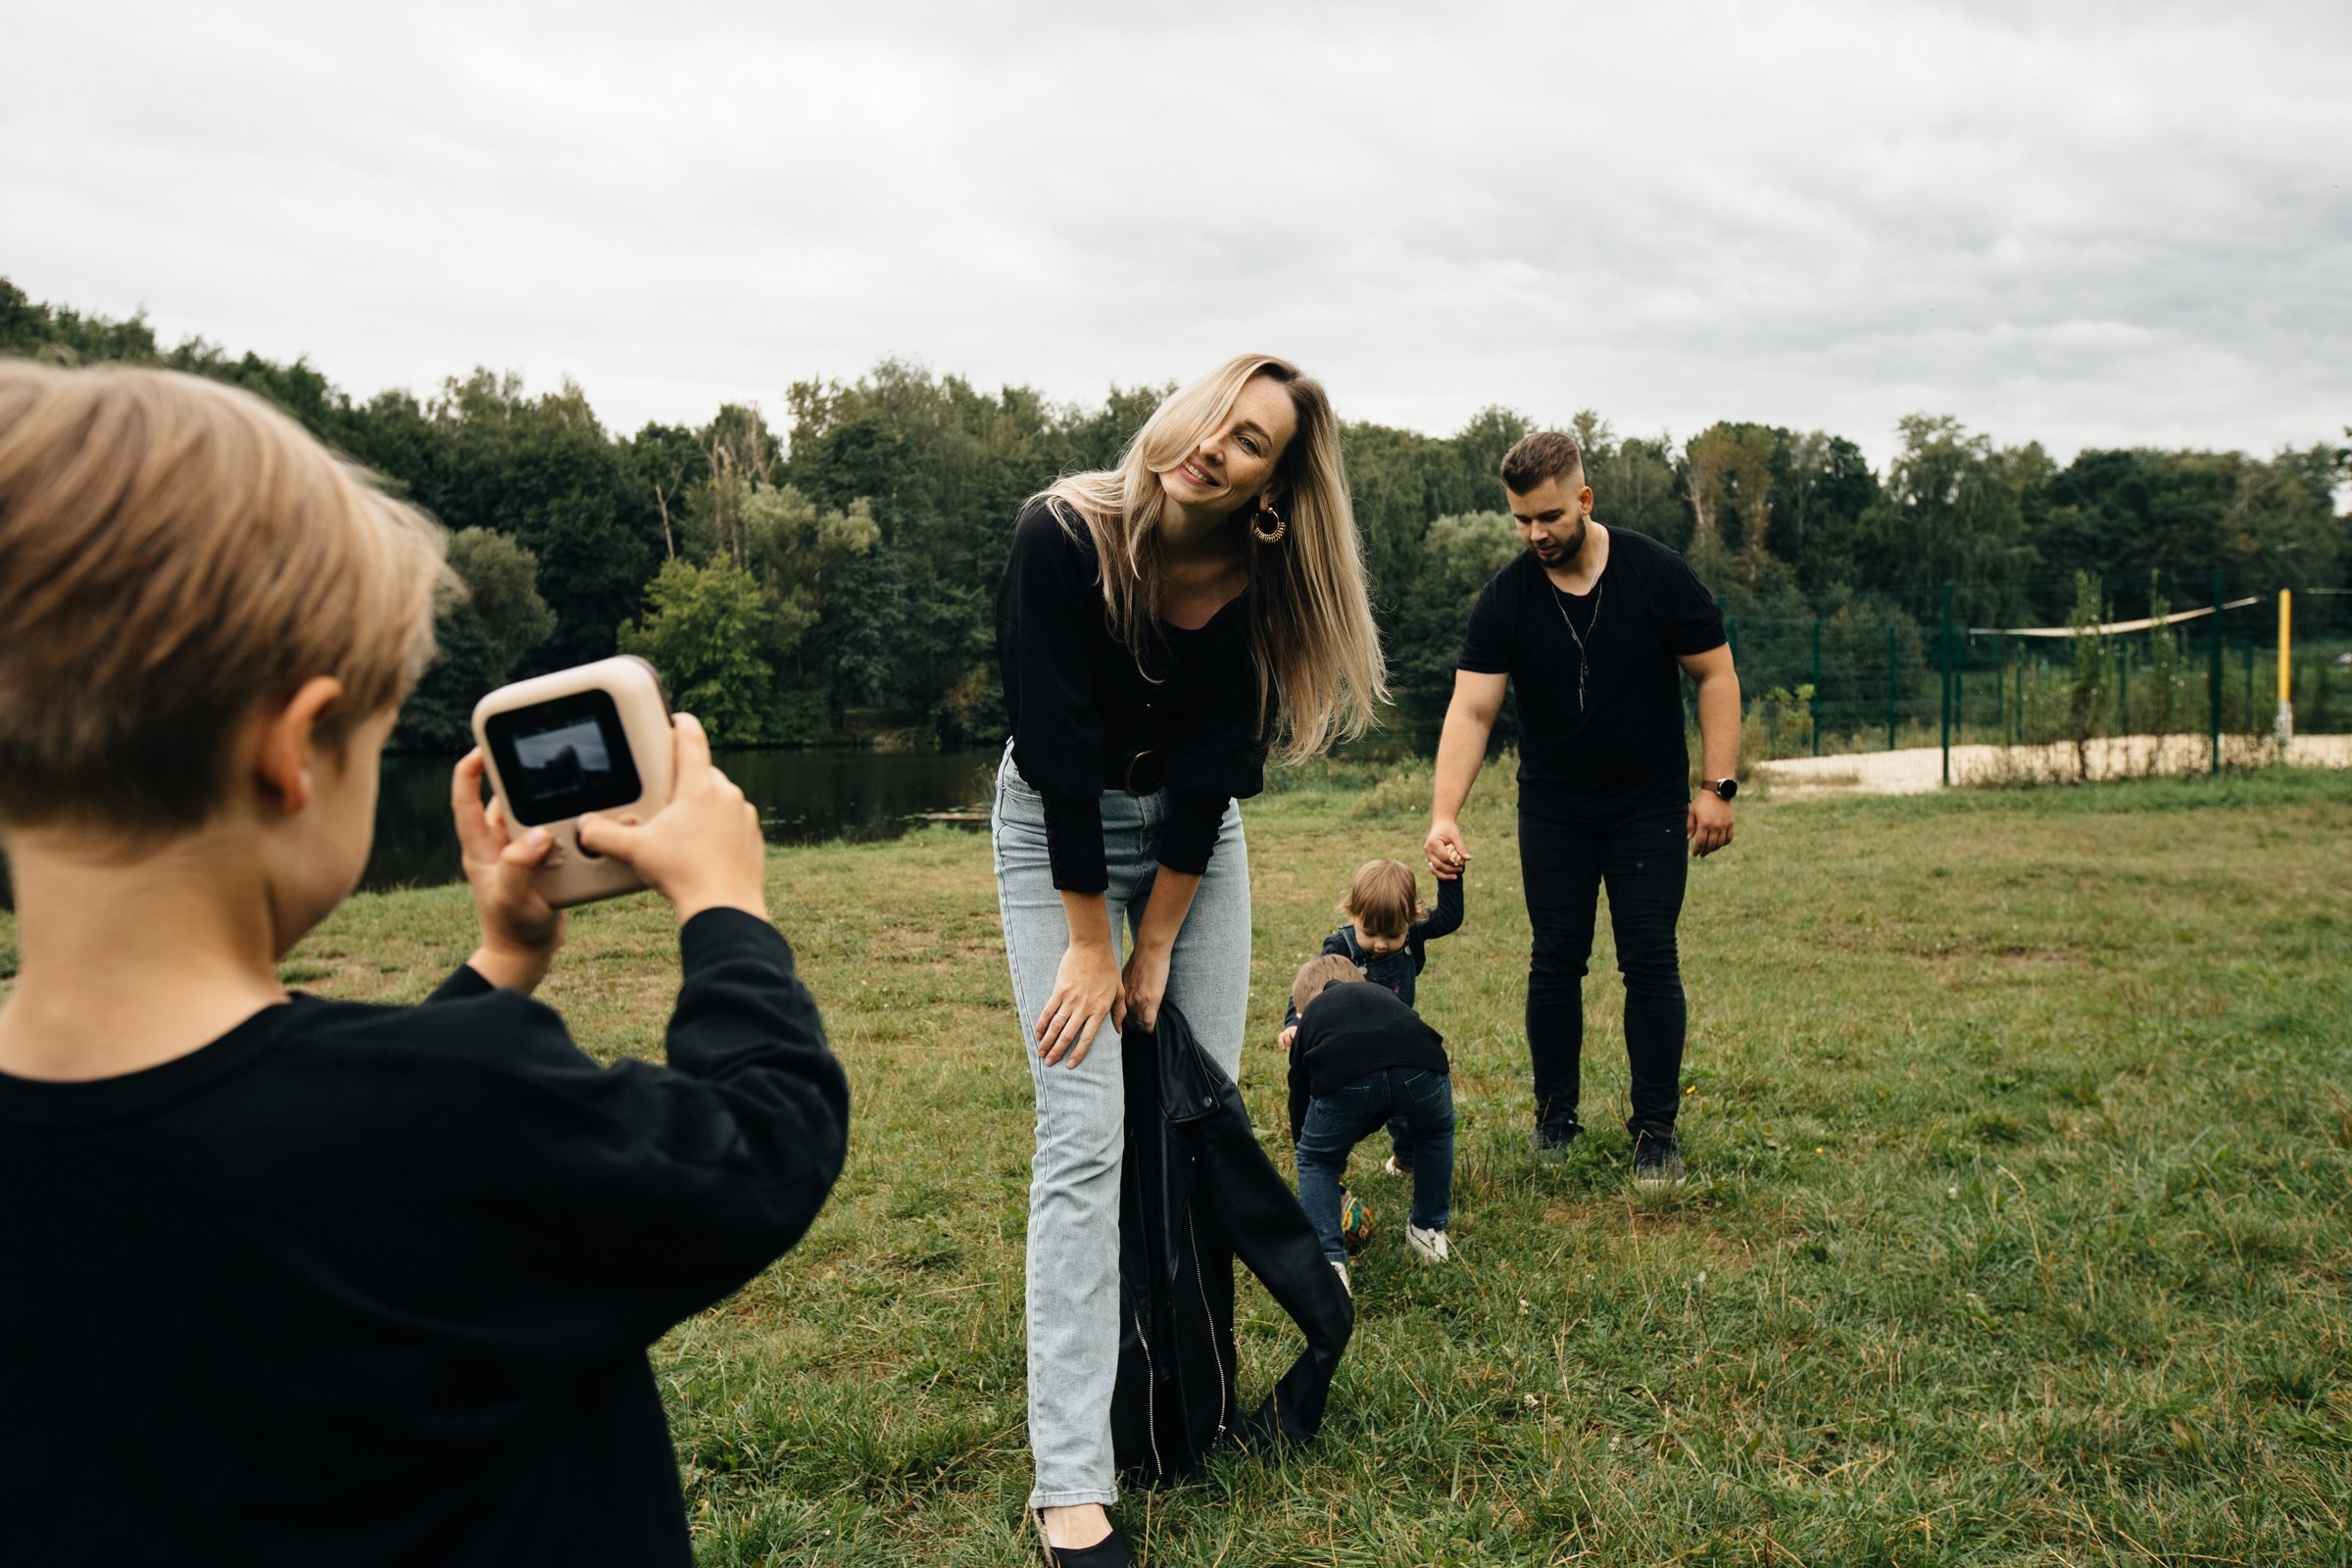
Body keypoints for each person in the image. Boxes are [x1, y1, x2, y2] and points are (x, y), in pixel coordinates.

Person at [0, 363, 851, 1567]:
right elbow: (762, 1145)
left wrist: (499, 963)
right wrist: (724, 906)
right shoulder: (451, 1106)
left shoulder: (407, 1099)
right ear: (296, 750)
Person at [992, 353, 1384, 1565]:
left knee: (1196, 1114)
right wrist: (1093, 948)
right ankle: (1071, 1482)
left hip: (1191, 852)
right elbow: (1057, 751)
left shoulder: (1268, 589)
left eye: (1252, 441)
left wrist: (1158, 935)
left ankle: (1179, 1403)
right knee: (1087, 1131)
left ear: (1273, 488)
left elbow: (1216, 772)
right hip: (1049, 833)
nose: (1215, 442)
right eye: (1217, 413)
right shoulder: (1062, 533)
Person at [1422, 430, 1740, 1187]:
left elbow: (1716, 675)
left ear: (1584, 500)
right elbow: (1472, 712)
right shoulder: (1506, 598)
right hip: (1555, 809)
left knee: (1650, 961)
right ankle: (1554, 1120)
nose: (1536, 534)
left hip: (1649, 806)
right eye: (1523, 520)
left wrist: (1717, 786)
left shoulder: (1657, 574)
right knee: (1555, 962)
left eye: (1550, 517)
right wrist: (1444, 815)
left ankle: (1656, 1132)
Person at [1277, 856, 1465, 1178]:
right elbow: (1310, 984)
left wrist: (1450, 876)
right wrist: (1295, 1022)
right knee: (1347, 1106)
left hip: (1398, 1037)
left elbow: (1449, 918)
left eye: (1392, 935)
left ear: (1411, 918)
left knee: (1406, 1103)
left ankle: (1406, 1157)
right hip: (1351, 1045)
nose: (1380, 944)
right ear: (1353, 913)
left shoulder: (1413, 933)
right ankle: (1330, 1165)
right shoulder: (1341, 945)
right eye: (1371, 932)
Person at [1284, 956, 1456, 1286]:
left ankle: (1329, 1264)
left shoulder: (1309, 1021)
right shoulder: (1381, 994)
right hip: (1425, 1063)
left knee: (1317, 1158)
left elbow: (1300, 1096)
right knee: (1434, 1134)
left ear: (1301, 1014)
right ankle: (1428, 1231)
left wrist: (1314, 1148)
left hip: (1347, 1075)